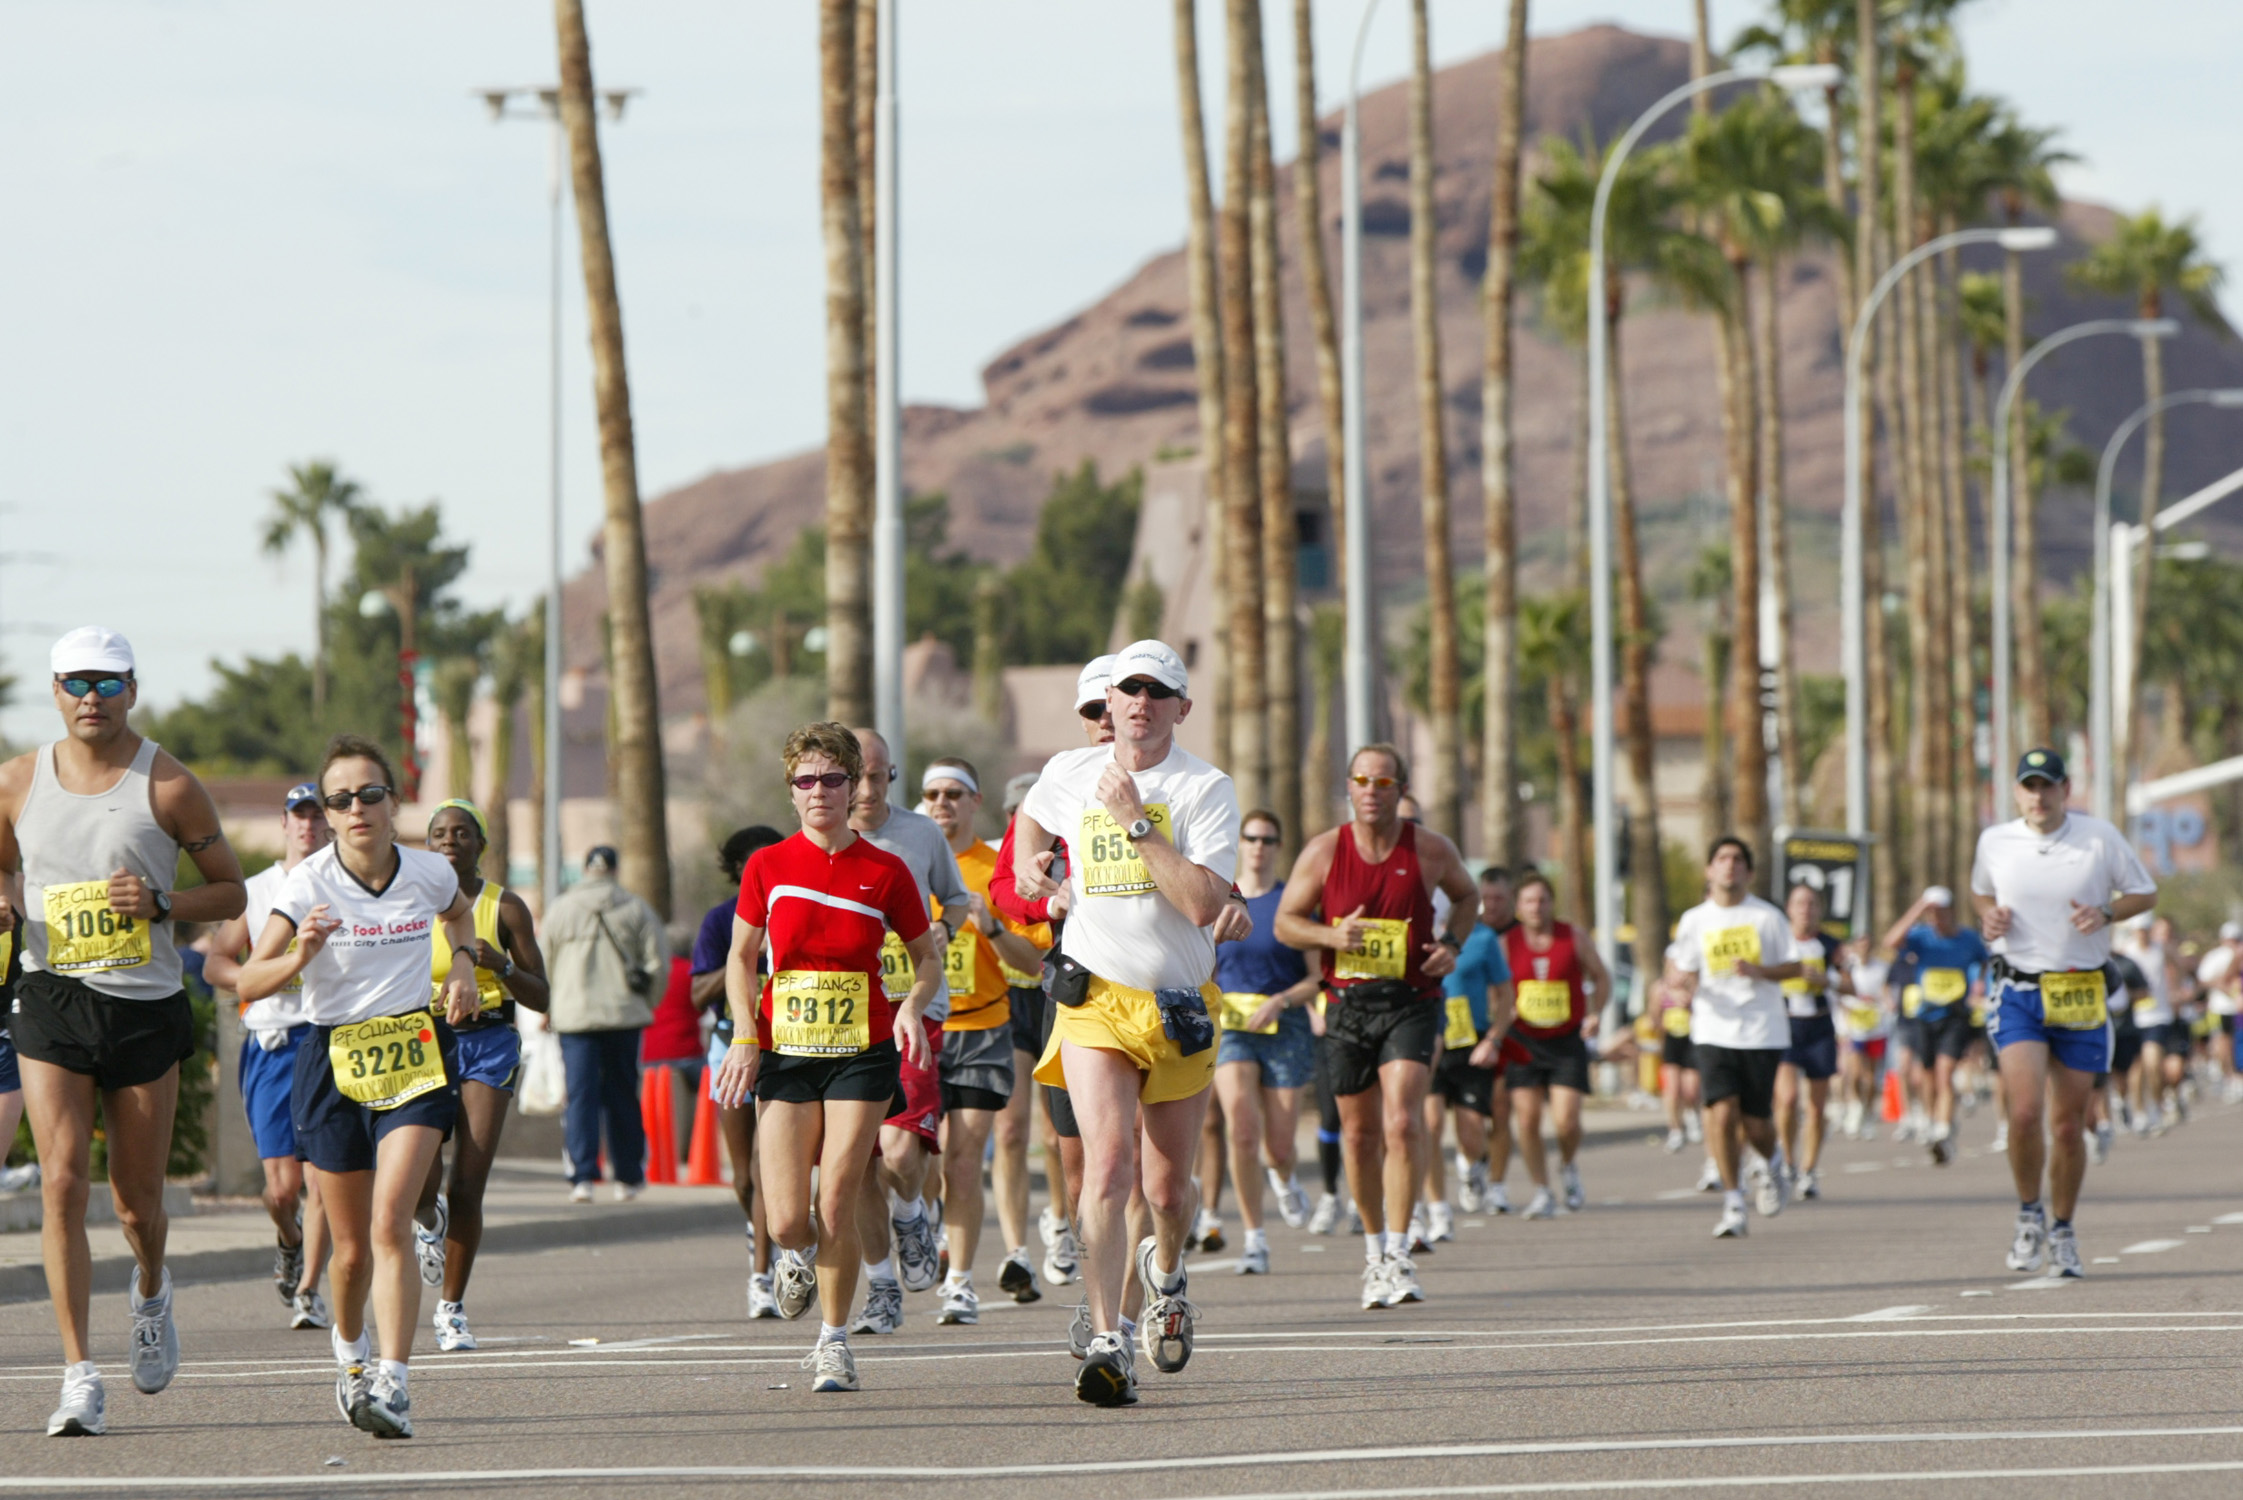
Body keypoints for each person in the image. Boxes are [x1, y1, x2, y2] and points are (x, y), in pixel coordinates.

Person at [1, 627, 247, 1437]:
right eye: (76, 683)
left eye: (108, 683)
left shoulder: (168, 784)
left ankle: (149, 1287)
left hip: (142, 1006)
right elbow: (3, 864)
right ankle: (77, 1374)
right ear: (56, 691)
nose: (92, 698)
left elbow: (231, 892)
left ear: (133, 691)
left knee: (138, 1207)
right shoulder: (17, 782)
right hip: (52, 998)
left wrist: (162, 904)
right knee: (64, 1181)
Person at [1014, 639, 1241, 1406]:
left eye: (1154, 690)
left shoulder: (1205, 787)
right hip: (1094, 1000)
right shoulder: (1068, 771)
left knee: (1168, 1189)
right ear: (1106, 705)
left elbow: (1204, 905)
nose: (1138, 702)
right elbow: (1030, 825)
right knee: (1105, 1169)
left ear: (1180, 706)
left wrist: (1136, 824)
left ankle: (1169, 1277)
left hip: (1176, 1004)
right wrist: (1026, 865)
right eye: (1125, 690)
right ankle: (1108, 1338)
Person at [237, 734, 480, 1439]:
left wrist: (461, 963)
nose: (355, 809)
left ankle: (395, 1383)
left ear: (394, 802)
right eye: (337, 800)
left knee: (389, 1221)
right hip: (331, 1059)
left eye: (369, 794)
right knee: (348, 1253)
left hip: (411, 1054)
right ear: (328, 814)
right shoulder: (307, 883)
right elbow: (250, 982)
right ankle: (350, 1357)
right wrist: (299, 956)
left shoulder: (429, 872)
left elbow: (458, 911)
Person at [711, 722, 941, 1394]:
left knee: (837, 1199)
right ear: (792, 792)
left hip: (861, 1053)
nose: (819, 792)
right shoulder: (768, 866)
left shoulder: (885, 869)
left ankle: (834, 1341)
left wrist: (909, 1005)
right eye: (805, 781)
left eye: (832, 779)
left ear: (853, 786)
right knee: (787, 1216)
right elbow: (741, 957)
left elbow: (926, 956)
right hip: (786, 1052)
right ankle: (794, 1253)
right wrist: (747, 1037)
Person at [1275, 744, 1477, 1310]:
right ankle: (1372, 1253)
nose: (1371, 789)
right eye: (1361, 780)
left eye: (1383, 782)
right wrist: (1332, 937)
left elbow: (1469, 897)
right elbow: (1288, 923)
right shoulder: (1323, 852)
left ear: (1400, 790)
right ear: (1349, 787)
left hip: (1411, 1000)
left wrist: (1453, 945)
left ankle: (1399, 1249)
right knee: (1359, 1135)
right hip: (1346, 1003)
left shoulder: (1431, 850)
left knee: (1402, 1120)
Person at [1973, 748, 2156, 1279]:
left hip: (2078, 990)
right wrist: (1991, 919)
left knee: (2070, 1126)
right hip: (2019, 990)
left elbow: (2145, 893)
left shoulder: (2098, 837)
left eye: (2047, 786)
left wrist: (2104, 912)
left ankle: (2064, 1228)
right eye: (2028, 786)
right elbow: (1981, 892)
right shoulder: (1996, 841)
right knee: (2025, 1113)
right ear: (2016, 793)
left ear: (2065, 789)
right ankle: (2029, 1213)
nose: (2038, 796)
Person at [405, 800, 548, 1352]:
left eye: (461, 833)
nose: (448, 840)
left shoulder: (504, 907)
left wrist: (502, 966)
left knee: (468, 1182)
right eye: (439, 833)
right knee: (421, 1179)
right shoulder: (411, 904)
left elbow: (542, 996)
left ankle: (451, 1310)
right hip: (426, 1041)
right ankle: (426, 1218)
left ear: (479, 845)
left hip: (488, 1041)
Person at [844, 727, 970, 1335]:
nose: (869, 790)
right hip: (845, 1023)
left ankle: (914, 1211)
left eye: (881, 776)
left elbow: (958, 901)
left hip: (915, 1010)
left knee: (899, 1150)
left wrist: (943, 928)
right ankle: (883, 1286)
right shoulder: (819, 841)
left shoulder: (919, 834)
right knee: (861, 1163)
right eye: (858, 776)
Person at [202, 782, 337, 1330]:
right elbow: (216, 960)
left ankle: (308, 1290)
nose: (306, 825)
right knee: (281, 1191)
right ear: (283, 824)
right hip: (272, 1047)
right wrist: (251, 979)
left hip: (326, 1039)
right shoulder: (258, 891)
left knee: (323, 1180)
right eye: (297, 815)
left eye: (315, 816)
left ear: (328, 825)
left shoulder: (342, 886)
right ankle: (290, 1241)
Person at [921, 756, 1046, 1325]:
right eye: (932, 794)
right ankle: (916, 1223)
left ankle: (960, 1281)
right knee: (910, 1156)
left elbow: (1035, 959)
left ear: (975, 803)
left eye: (954, 793)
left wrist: (990, 926)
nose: (942, 803)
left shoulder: (998, 870)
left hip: (982, 1028)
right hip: (916, 1027)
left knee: (966, 1158)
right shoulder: (904, 864)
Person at [1669, 837, 1802, 1239]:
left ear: (1748, 870)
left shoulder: (1766, 917)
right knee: (1722, 1111)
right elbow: (1683, 968)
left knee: (1756, 1123)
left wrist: (1761, 971)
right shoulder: (1695, 920)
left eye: (1738, 860)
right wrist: (1681, 985)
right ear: (1709, 869)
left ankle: (1774, 1161)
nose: (1730, 866)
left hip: (1761, 1030)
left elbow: (1795, 966)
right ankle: (1733, 1202)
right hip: (1712, 1027)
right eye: (1722, 859)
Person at [1210, 809, 1320, 1275]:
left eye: (1267, 838)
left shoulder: (1290, 903)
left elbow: (1319, 977)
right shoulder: (1216, 899)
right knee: (1241, 1126)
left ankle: (1285, 1174)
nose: (1258, 846)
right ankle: (1255, 1238)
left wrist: (1280, 1002)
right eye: (1251, 837)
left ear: (1278, 846)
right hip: (1232, 1028)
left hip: (1285, 1024)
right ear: (1240, 843)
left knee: (1277, 1143)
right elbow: (1200, 964)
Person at [693, 827, 785, 1317]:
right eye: (749, 866)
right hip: (729, 1046)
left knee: (764, 1164)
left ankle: (761, 1276)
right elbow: (695, 994)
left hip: (784, 1046)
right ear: (736, 871)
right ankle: (758, 1233)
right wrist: (745, 958)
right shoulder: (720, 919)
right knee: (744, 1174)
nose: (759, 872)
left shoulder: (797, 903)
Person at [542, 846, 666, 1205]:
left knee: (580, 1097)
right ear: (614, 869)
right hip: (624, 1017)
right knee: (623, 1095)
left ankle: (582, 1176)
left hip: (574, 1017)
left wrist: (550, 1006)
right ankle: (627, 1176)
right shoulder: (636, 908)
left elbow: (544, 961)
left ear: (585, 870)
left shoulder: (561, 909)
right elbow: (658, 963)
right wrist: (645, 1004)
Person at [1495, 870, 1607, 1219]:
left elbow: (1600, 976)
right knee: (1526, 1120)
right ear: (1518, 906)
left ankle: (1569, 1165)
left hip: (1565, 1039)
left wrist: (1594, 1013)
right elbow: (1495, 987)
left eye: (1542, 900)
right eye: (1529, 901)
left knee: (1566, 1121)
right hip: (1523, 1039)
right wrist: (1502, 1010)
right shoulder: (1507, 943)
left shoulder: (1572, 936)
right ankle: (1542, 1190)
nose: (1536, 907)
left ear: (1552, 903)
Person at [988, 773, 1058, 1302]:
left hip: (1057, 988)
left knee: (1056, 1133)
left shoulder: (1072, 847)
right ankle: (1015, 1249)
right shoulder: (997, 859)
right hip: (1008, 999)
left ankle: (1058, 1219)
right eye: (1019, 811)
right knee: (1010, 1132)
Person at [1878, 886, 1987, 1165]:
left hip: (1955, 1014)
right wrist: (1918, 908)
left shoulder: (1968, 939)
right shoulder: (1921, 937)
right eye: (1932, 913)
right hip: (1925, 1015)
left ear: (1951, 911)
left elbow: (1987, 961)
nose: (1936, 918)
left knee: (1945, 1070)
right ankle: (1930, 1117)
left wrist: (1978, 984)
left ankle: (1942, 1128)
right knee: (1925, 1075)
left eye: (1941, 912)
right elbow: (1890, 942)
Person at [1434, 865, 1516, 1222]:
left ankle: (1471, 1167)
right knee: (1428, 1123)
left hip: (1471, 1041)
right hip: (1428, 1039)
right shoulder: (1415, 934)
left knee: (1471, 1131)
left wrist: (1493, 1040)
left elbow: (1506, 997)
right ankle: (1434, 1206)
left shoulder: (1481, 938)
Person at [1773, 884, 1848, 1199]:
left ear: (1819, 909)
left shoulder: (1830, 944)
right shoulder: (1777, 941)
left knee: (1816, 1108)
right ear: (1789, 908)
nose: (1805, 909)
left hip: (1818, 1026)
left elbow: (1851, 984)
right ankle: (1787, 1161)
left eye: (1811, 903)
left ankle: (1808, 1170)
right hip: (1784, 1025)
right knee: (1788, 1099)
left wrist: (1826, 980)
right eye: (1799, 903)